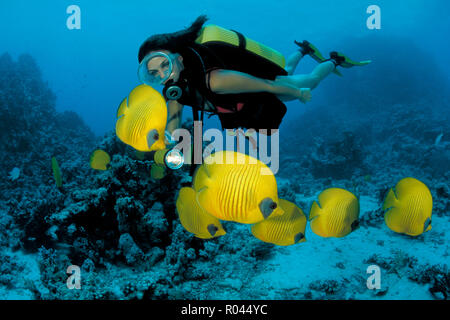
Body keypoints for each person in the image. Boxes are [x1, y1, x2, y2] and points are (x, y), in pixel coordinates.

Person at [137, 15, 370, 135]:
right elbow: (174, 117)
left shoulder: (215, 80)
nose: (162, 76)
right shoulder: (174, 88)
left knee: (310, 81)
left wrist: (298, 93)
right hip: (245, 93)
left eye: (164, 66)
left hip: (258, 88)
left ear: (178, 58)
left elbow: (266, 86)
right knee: (286, 72)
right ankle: (304, 50)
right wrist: (168, 139)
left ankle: (334, 60)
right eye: (153, 73)